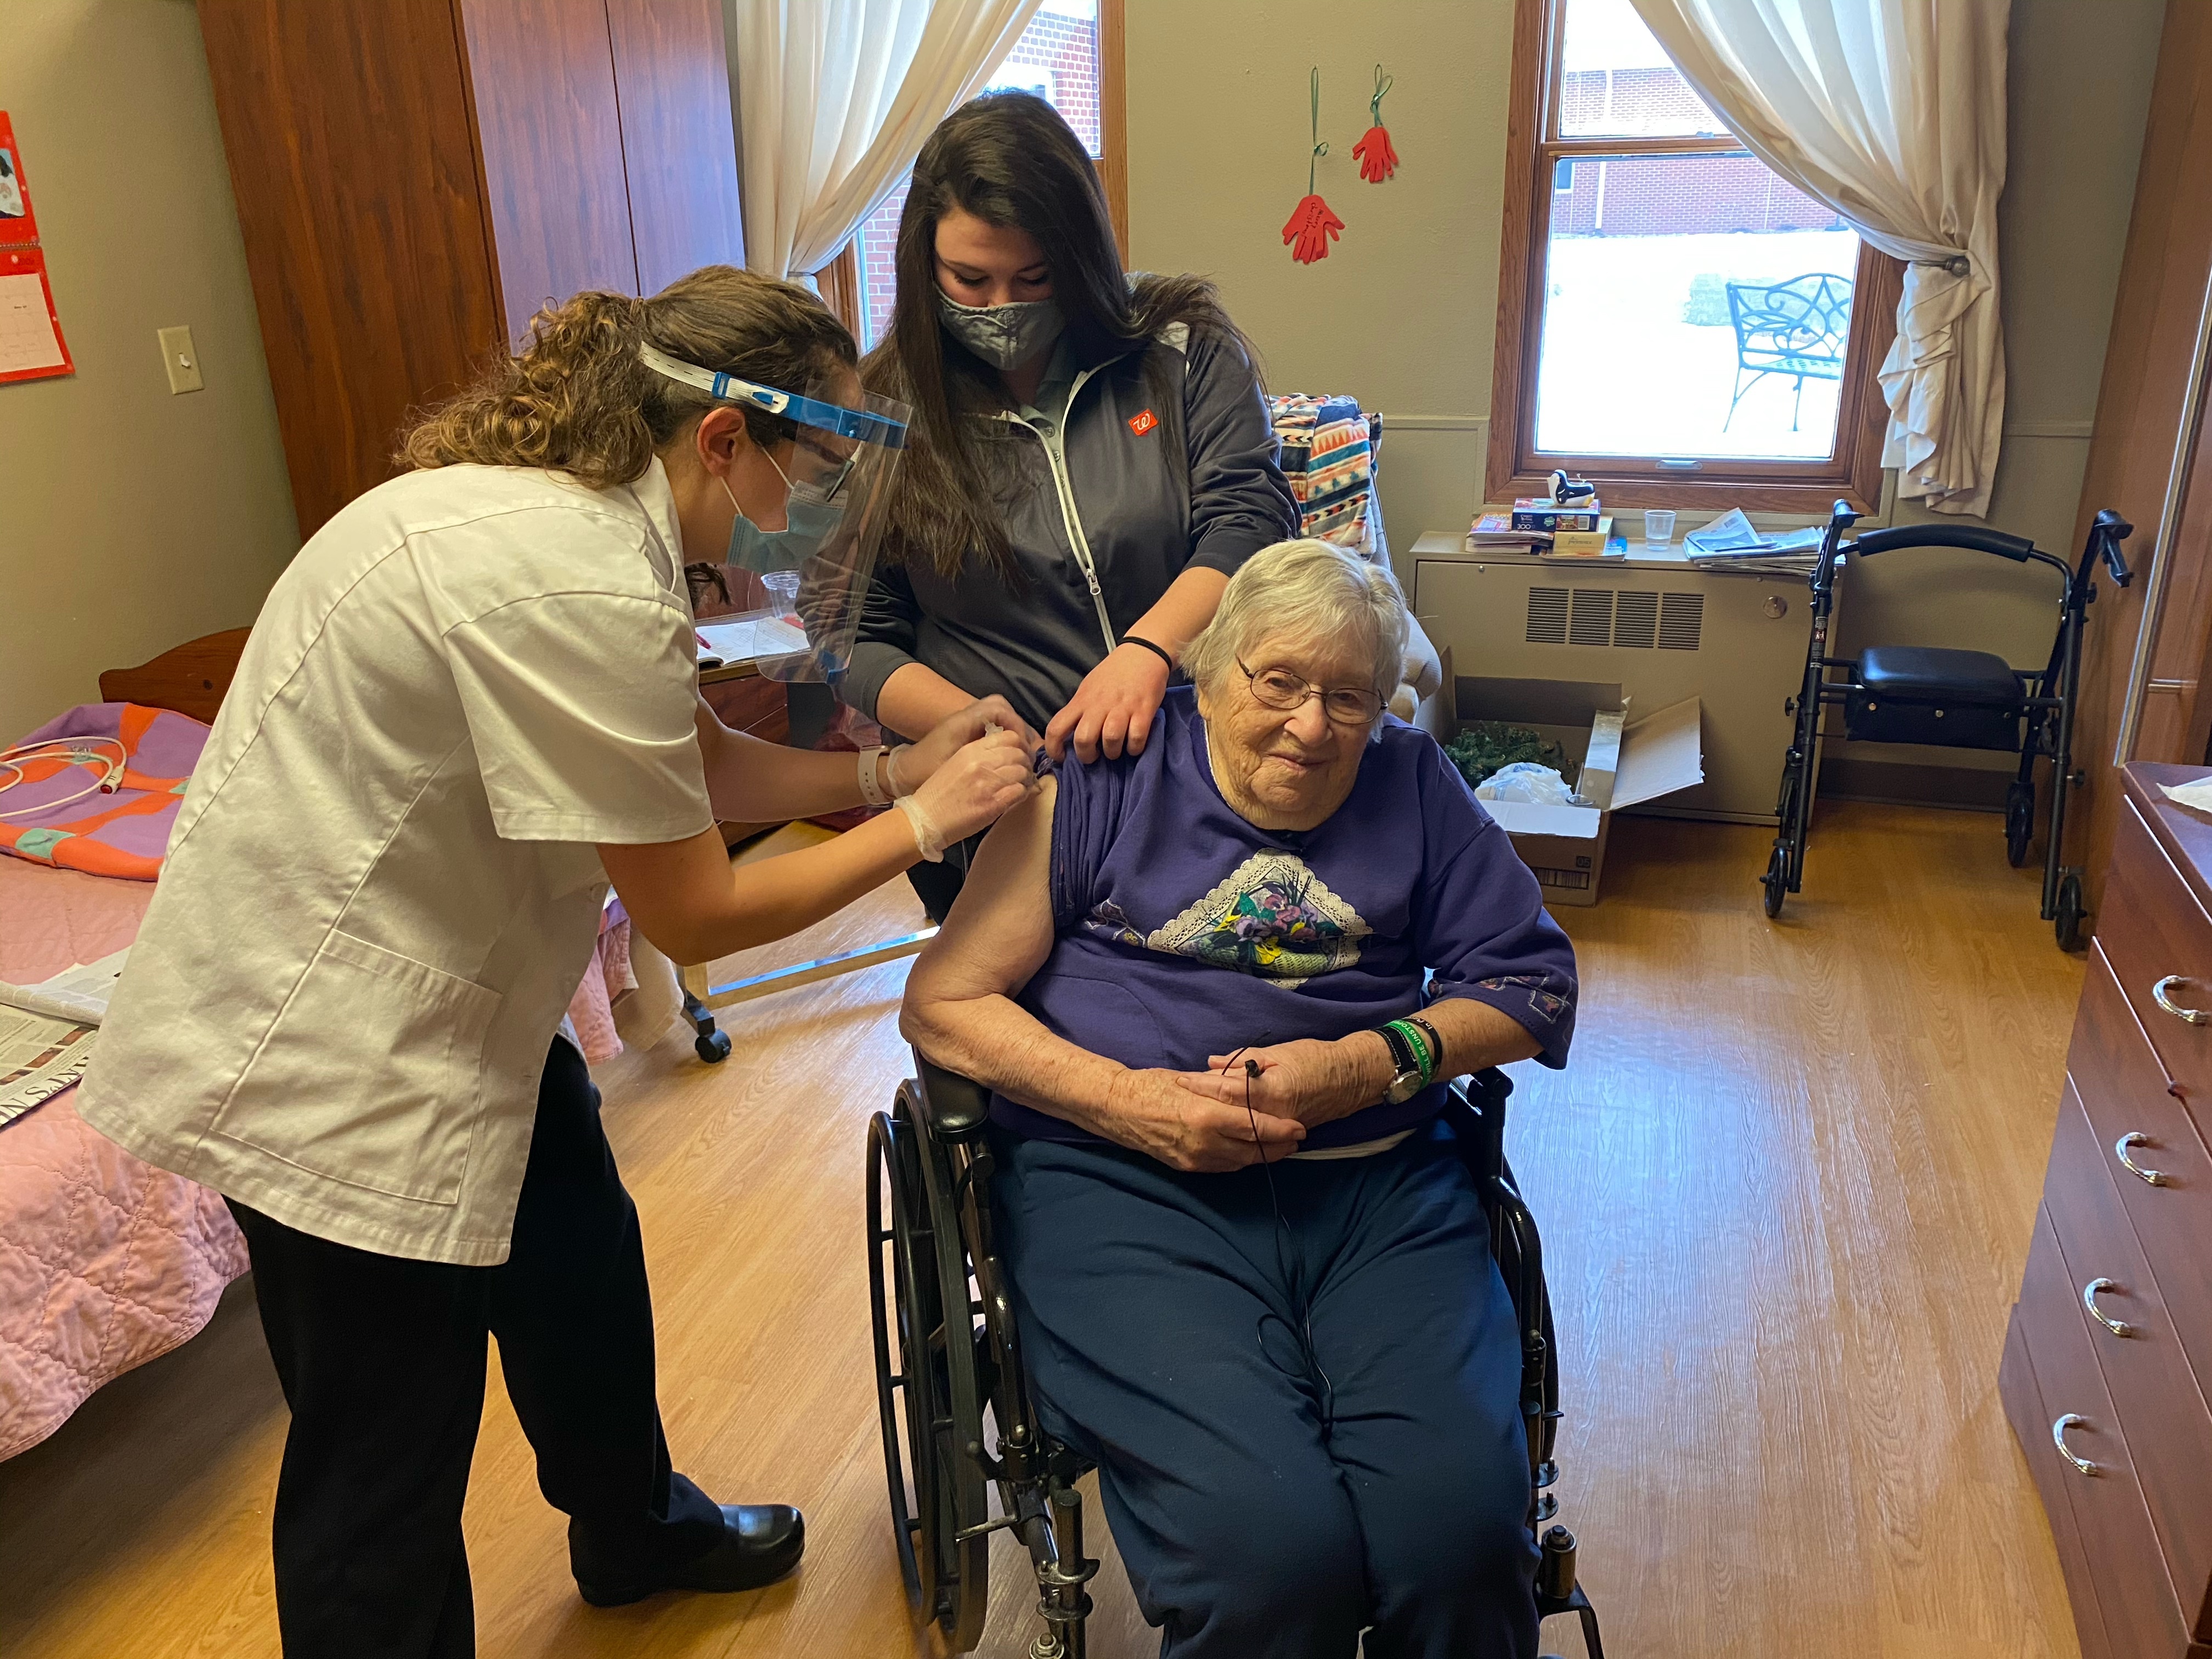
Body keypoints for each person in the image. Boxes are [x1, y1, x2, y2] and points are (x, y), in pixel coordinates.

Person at [75, 266, 1037, 1659]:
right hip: (324, 1047)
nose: (826, 500)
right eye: (823, 464)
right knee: (383, 1449)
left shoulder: (573, 527)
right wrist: (922, 824)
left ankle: (634, 1532)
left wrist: (884, 768)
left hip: (445, 996)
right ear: (725, 439)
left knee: (576, 1254)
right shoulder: (573, 577)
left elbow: (691, 762)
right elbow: (698, 910)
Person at [901, 539, 1580, 1658]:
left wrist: (1371, 1060)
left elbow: (1531, 986)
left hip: (1376, 1186)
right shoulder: (1108, 777)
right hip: (1121, 1187)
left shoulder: (1414, 783)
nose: (1312, 726)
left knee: (1460, 1537)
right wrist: (1130, 1103)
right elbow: (945, 1001)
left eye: (1348, 697)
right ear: (1209, 676)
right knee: (1269, 1556)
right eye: (1279, 683)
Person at [844, 91, 1299, 920]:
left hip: (1199, 770)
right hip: (1006, 808)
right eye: (969, 280)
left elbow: (1249, 520)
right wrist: (976, 723)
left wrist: (1147, 654)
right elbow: (854, 634)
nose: (1002, 308)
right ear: (924, 262)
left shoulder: (1182, 347)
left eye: (1035, 278)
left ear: (1081, 256)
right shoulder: (882, 410)